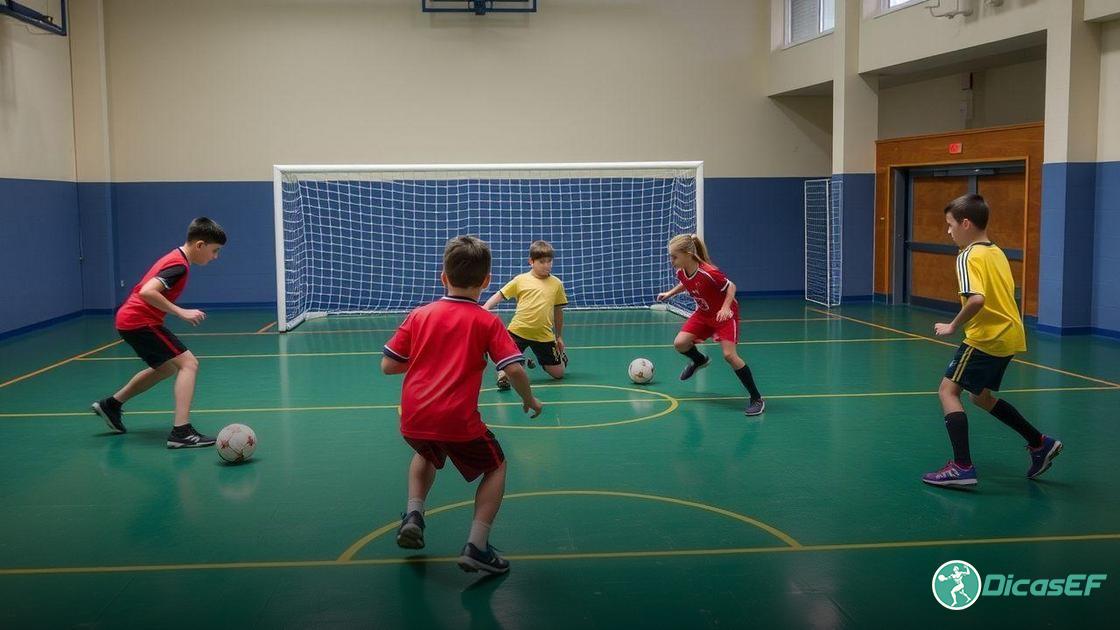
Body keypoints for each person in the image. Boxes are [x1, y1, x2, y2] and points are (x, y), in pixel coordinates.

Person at [382, 235, 542, 575]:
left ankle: (413, 514)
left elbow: (389, 365)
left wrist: (428, 359)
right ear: (486, 281)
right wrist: (529, 398)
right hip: (456, 419)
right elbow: (513, 368)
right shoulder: (486, 321)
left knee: (426, 452)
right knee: (495, 465)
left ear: (443, 277)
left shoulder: (420, 314)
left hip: (413, 417)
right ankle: (477, 545)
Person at [923, 194, 1062, 487]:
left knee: (948, 392)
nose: (948, 231)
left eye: (949, 225)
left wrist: (952, 326)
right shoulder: (996, 251)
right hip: (1010, 335)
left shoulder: (967, 256)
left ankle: (962, 467)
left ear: (965, 223)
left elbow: (977, 299)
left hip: (986, 338)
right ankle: (1040, 443)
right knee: (980, 397)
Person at [91, 217, 226, 448]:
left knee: (165, 368)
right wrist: (181, 312)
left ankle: (111, 405)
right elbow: (147, 291)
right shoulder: (179, 265)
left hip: (131, 320)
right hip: (139, 321)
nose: (215, 257)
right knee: (189, 364)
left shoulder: (177, 259)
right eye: (214, 251)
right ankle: (181, 432)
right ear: (200, 245)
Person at [656, 234, 765, 416]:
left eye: (674, 256)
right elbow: (686, 282)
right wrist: (670, 293)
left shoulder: (710, 272)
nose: (671, 260)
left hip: (724, 316)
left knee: (730, 355)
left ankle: (757, 399)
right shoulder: (682, 271)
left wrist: (725, 307)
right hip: (703, 314)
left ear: (688, 254)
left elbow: (731, 286)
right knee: (680, 343)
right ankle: (700, 360)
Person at [482, 240, 568, 389]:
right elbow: (500, 294)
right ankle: (513, 366)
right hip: (518, 331)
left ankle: (532, 360)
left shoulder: (557, 284)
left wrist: (558, 336)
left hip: (543, 335)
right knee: (505, 373)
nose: (547, 265)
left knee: (558, 374)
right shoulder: (520, 280)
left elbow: (558, 311)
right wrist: (486, 307)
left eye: (549, 261)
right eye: (542, 262)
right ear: (531, 262)